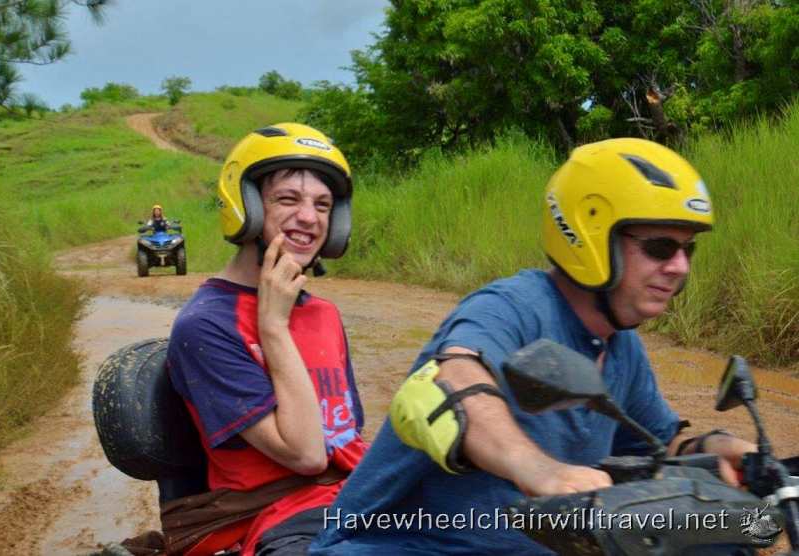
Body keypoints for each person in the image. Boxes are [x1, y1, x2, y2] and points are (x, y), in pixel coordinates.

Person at [309, 138, 757, 555]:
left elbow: (656, 442)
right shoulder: (511, 307)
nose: (678, 267)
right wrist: (541, 471)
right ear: (589, 235)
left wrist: (719, 448)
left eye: (687, 251)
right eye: (660, 247)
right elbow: (455, 378)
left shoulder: (620, 345)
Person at [166, 123, 368, 556]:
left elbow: (345, 436)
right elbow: (308, 456)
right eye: (288, 199)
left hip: (356, 499)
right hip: (282, 517)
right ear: (248, 209)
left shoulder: (323, 314)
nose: (309, 218)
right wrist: (273, 327)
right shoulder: (205, 326)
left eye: (323, 205)